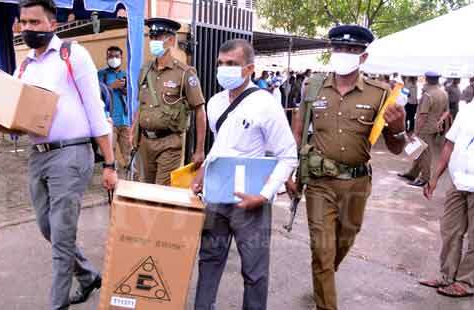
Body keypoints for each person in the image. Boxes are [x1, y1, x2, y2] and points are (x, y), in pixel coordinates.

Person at [0, 1, 117, 309]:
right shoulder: (25, 65)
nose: (27, 28)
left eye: (35, 22)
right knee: (47, 227)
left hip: (72, 154)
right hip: (38, 155)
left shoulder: (72, 55)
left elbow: (96, 110)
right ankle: (89, 274)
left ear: (51, 24)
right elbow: (14, 121)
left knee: (62, 236)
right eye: (23, 22)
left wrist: (109, 163)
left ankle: (57, 304)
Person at [288, 25, 406, 310]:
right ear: (332, 52)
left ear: (363, 57)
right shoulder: (312, 86)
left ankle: (325, 274)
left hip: (356, 184)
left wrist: (399, 129)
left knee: (344, 241)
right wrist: (291, 170)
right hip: (319, 182)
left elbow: (396, 148)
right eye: (339, 48)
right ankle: (325, 299)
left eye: (352, 50)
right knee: (322, 250)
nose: (344, 54)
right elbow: (299, 128)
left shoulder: (380, 94)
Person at [192, 39, 297, 310]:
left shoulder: (265, 103)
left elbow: (288, 155)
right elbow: (221, 144)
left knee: (254, 271)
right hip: (216, 196)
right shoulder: (215, 103)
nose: (224, 69)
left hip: (250, 200)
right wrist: (203, 172)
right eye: (221, 64)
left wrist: (263, 195)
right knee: (209, 260)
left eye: (232, 64)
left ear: (249, 68)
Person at [131, 18, 206, 185]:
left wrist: (199, 149)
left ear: (171, 40)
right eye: (152, 37)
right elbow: (141, 106)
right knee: (145, 190)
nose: (153, 42)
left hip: (169, 143)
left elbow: (200, 111)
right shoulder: (145, 71)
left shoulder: (185, 73)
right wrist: (133, 133)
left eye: (158, 38)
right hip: (145, 143)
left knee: (162, 193)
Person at [421, 104, 474, 298]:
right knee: (450, 230)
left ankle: (467, 282)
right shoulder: (468, 109)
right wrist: (435, 177)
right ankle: (447, 276)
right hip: (458, 181)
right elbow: (450, 144)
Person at [399, 71, 449, 187]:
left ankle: (424, 178)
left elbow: (422, 115)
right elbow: (447, 111)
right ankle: (412, 173)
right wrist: (440, 120)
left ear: (427, 79)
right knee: (420, 150)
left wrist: (415, 132)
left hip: (425, 127)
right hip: (435, 126)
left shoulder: (428, 95)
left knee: (424, 153)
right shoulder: (443, 93)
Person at [98, 46, 132, 169]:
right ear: (106, 58)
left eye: (116, 56)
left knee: (129, 155)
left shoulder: (127, 74)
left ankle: (131, 181)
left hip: (125, 121)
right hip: (109, 121)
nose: (114, 59)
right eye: (111, 56)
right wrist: (111, 87)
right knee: (109, 156)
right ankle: (111, 182)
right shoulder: (101, 75)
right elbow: (96, 94)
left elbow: (135, 96)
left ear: (121, 58)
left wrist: (125, 90)